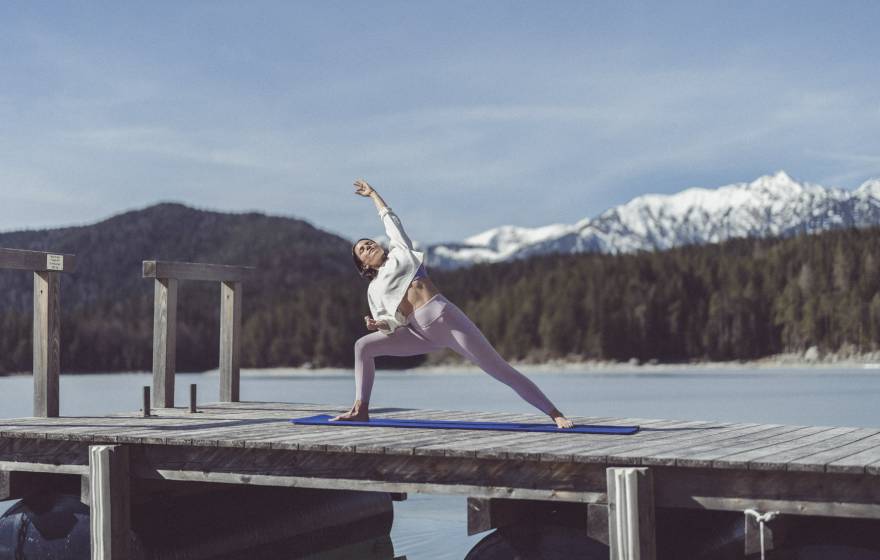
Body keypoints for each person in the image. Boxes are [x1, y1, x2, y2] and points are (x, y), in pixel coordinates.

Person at [335, 178, 575, 429]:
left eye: (369, 243)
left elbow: (390, 219)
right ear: (363, 265)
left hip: (446, 320)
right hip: (419, 333)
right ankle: (361, 409)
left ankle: (554, 413)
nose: (368, 246)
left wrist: (374, 194)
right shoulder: (374, 290)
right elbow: (392, 323)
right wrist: (378, 324)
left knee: (499, 370)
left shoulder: (400, 252)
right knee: (363, 346)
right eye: (362, 250)